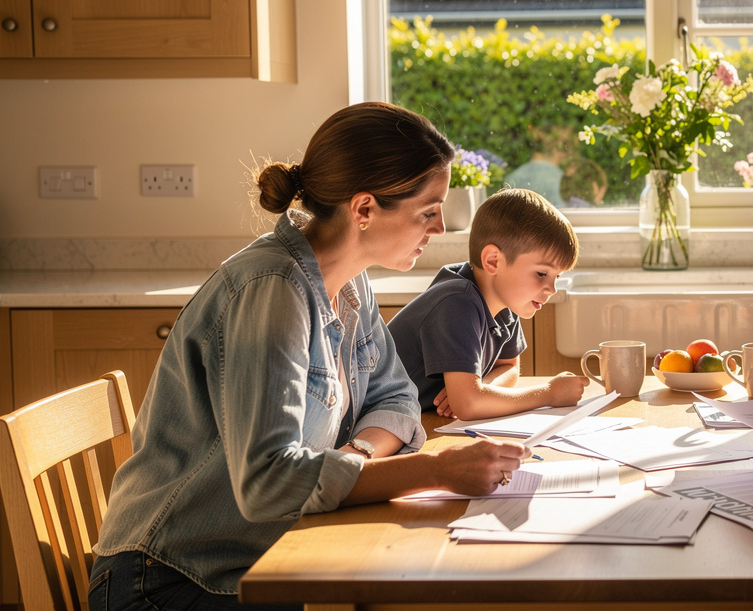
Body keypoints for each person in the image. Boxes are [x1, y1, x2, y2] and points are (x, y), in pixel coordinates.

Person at [91, 102, 526, 611]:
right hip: (173, 581)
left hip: (262, 561)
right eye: (428, 211)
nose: (440, 230)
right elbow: (269, 483)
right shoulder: (273, 290)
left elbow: (398, 398)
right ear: (364, 209)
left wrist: (355, 459)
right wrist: (435, 473)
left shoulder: (349, 278)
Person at [389, 187, 588, 419]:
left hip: (420, 419)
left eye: (557, 277)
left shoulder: (504, 301)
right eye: (542, 274)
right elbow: (468, 406)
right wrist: (548, 393)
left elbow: (509, 368)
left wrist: (480, 390)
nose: (552, 289)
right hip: (371, 420)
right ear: (493, 261)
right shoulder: (457, 302)